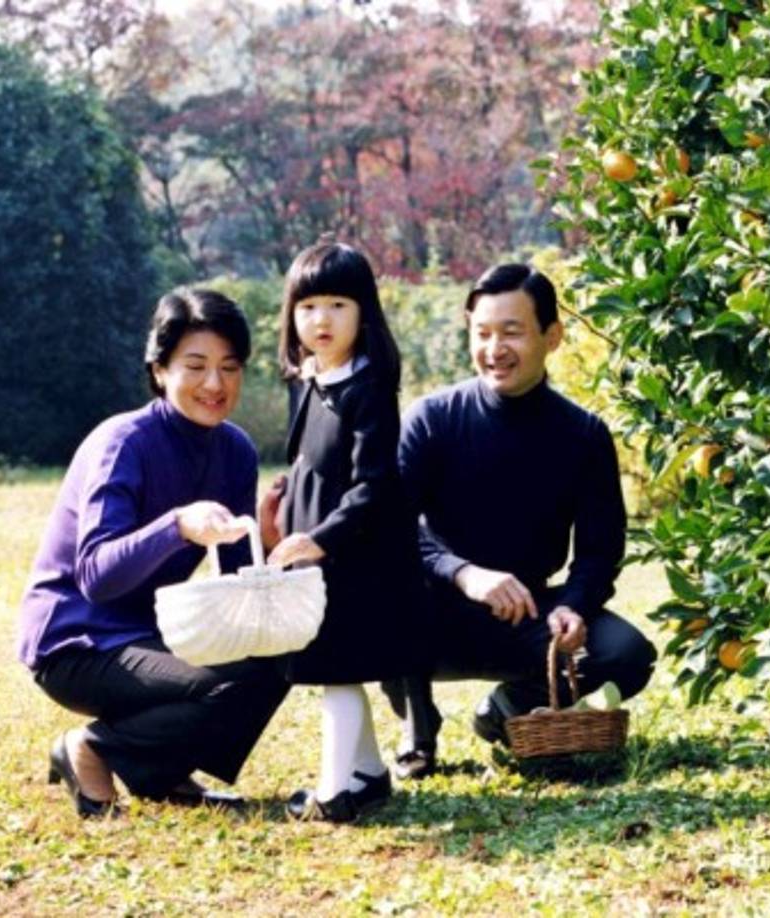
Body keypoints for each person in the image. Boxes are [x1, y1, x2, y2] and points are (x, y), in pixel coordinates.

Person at [17, 288, 291, 817]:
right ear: (160, 369)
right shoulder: (123, 442)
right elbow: (96, 575)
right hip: (76, 642)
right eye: (196, 366)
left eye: (230, 367)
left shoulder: (236, 450)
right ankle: (92, 749)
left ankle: (159, 773)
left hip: (151, 634)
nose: (215, 384)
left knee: (275, 658)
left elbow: (237, 583)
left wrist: (267, 543)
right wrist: (177, 526)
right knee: (232, 677)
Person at [383, 263, 657, 778]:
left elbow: (600, 551)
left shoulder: (583, 435)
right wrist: (465, 573)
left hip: (528, 616)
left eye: (511, 332)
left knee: (626, 653)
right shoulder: (432, 419)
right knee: (382, 595)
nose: (495, 349)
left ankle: (508, 709)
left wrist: (574, 606)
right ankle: (417, 731)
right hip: (430, 614)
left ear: (552, 337)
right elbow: (391, 528)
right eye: (482, 333)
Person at [260, 238, 429, 823]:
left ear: (363, 313)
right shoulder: (308, 380)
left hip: (359, 556)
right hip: (318, 552)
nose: (321, 319)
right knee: (335, 667)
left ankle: (334, 793)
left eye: (337, 305)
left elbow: (374, 485)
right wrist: (283, 510)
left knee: (337, 671)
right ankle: (369, 775)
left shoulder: (369, 388)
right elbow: (306, 465)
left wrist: (321, 539)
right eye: (308, 307)